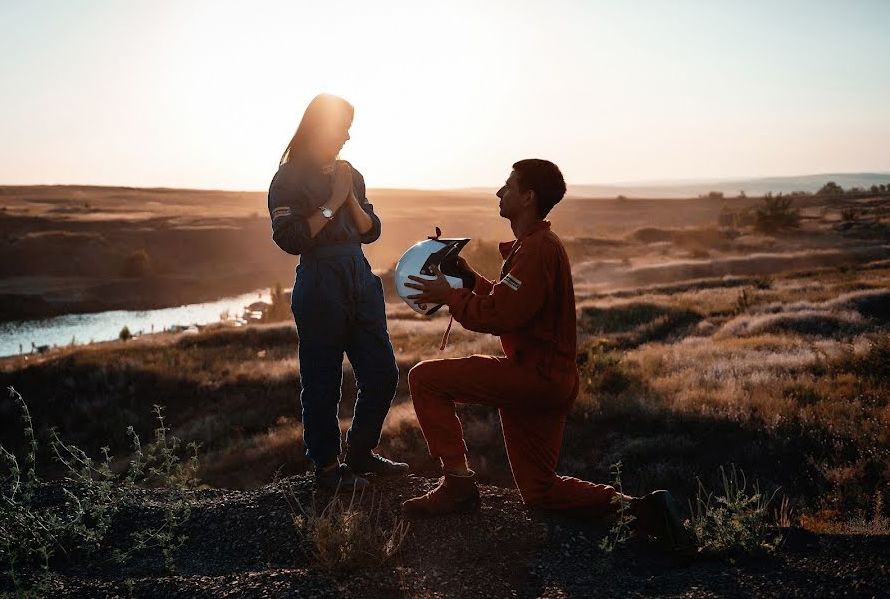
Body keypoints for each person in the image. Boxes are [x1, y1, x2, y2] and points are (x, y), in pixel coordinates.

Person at [402, 159, 690, 550]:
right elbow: (512, 303)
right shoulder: (534, 247)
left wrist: (449, 295)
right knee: (539, 489)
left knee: (424, 379)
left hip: (532, 378)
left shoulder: (537, 249)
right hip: (549, 380)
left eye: (507, 186)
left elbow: (502, 315)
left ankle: (457, 484)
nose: (499, 193)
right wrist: (470, 280)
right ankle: (644, 510)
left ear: (528, 196)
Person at [268, 93, 408, 491]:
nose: (348, 135)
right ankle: (328, 470)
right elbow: (292, 238)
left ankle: (361, 456)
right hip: (319, 280)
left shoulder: (351, 173)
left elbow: (371, 229)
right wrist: (331, 203)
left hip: (359, 278)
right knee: (322, 380)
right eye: (343, 126)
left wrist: (348, 197)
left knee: (382, 374)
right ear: (321, 126)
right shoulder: (288, 178)